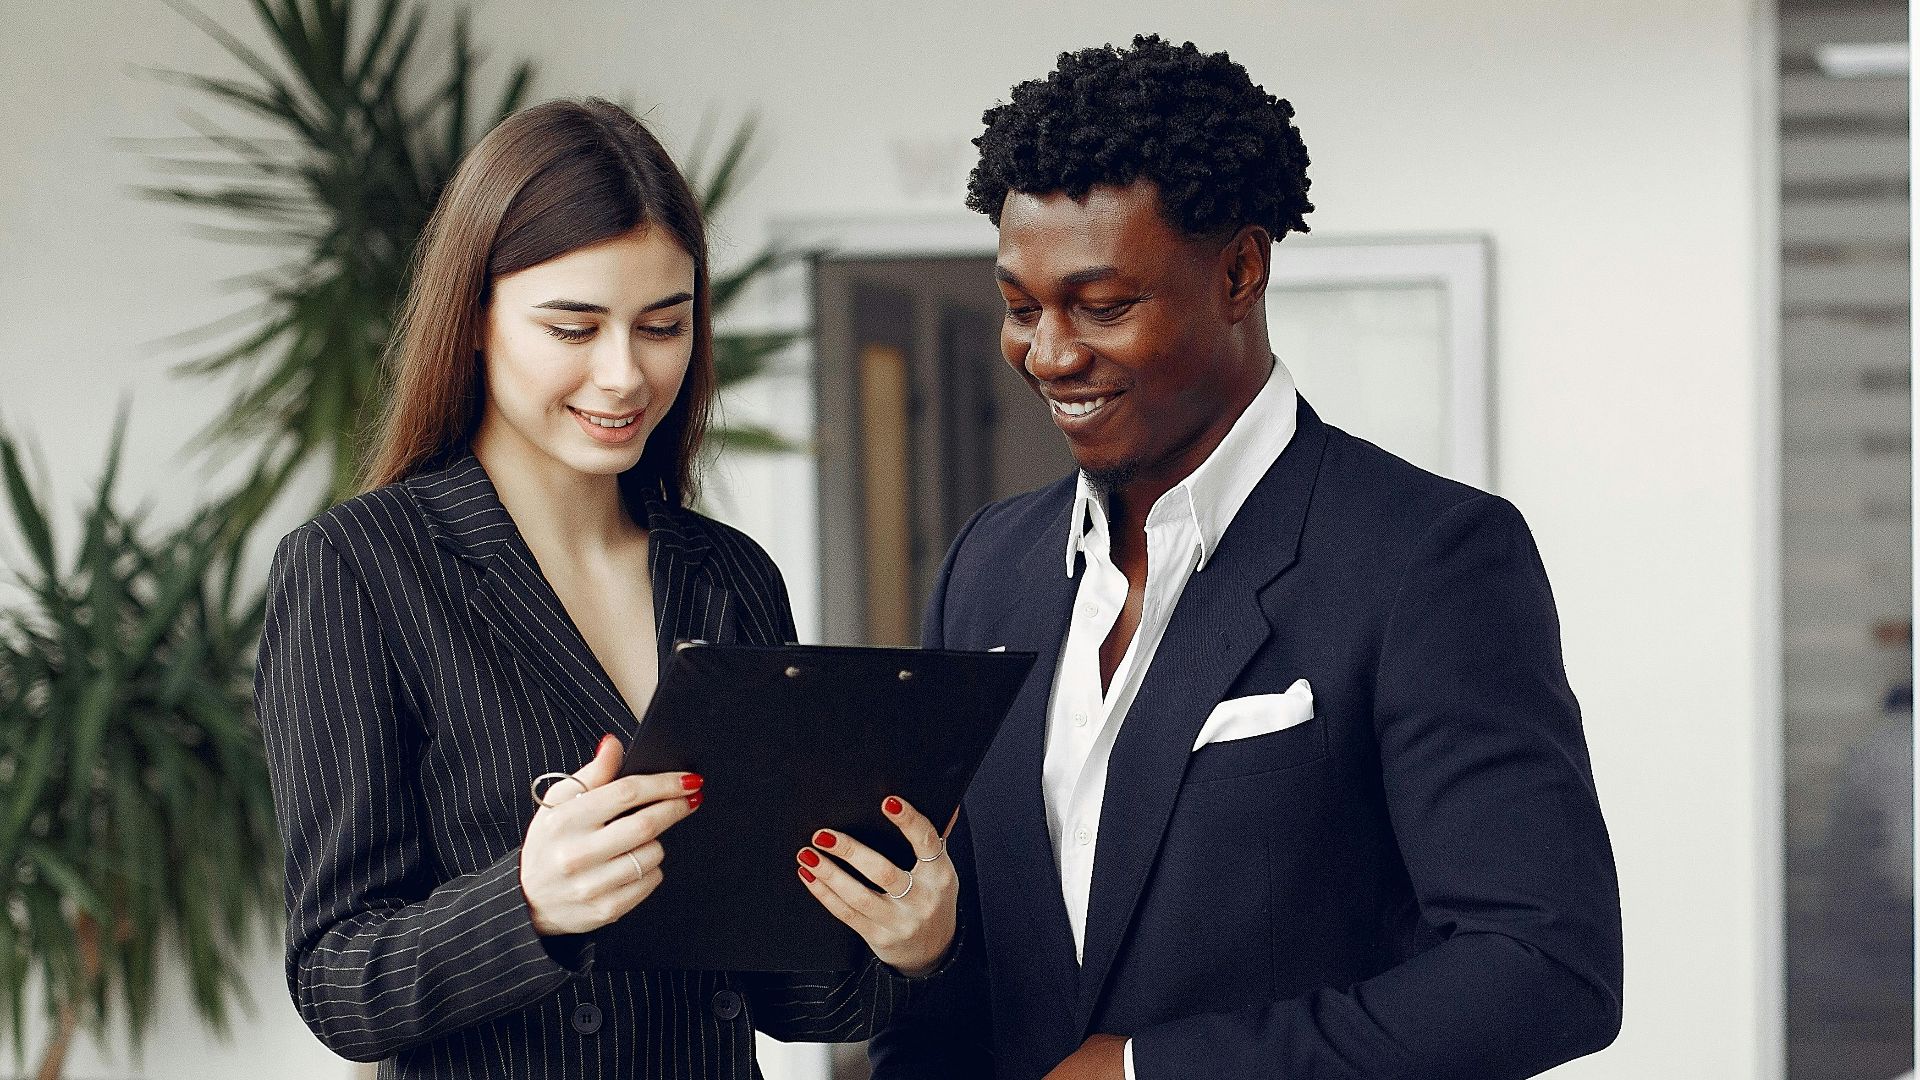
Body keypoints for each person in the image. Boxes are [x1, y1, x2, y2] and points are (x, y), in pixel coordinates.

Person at [869, 36, 1623, 1080]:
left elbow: (1543, 969)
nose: (1048, 354)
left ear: (1239, 271)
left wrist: (1148, 1072)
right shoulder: (989, 565)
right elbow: (970, 968)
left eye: (1102, 305)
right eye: (1020, 306)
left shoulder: (1429, 559)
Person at [254, 98, 958, 1079]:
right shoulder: (358, 569)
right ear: (474, 322)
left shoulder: (729, 576)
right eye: (574, 327)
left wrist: (906, 940)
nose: (625, 374)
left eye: (662, 325)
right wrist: (527, 902)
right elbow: (338, 982)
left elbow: (788, 994)